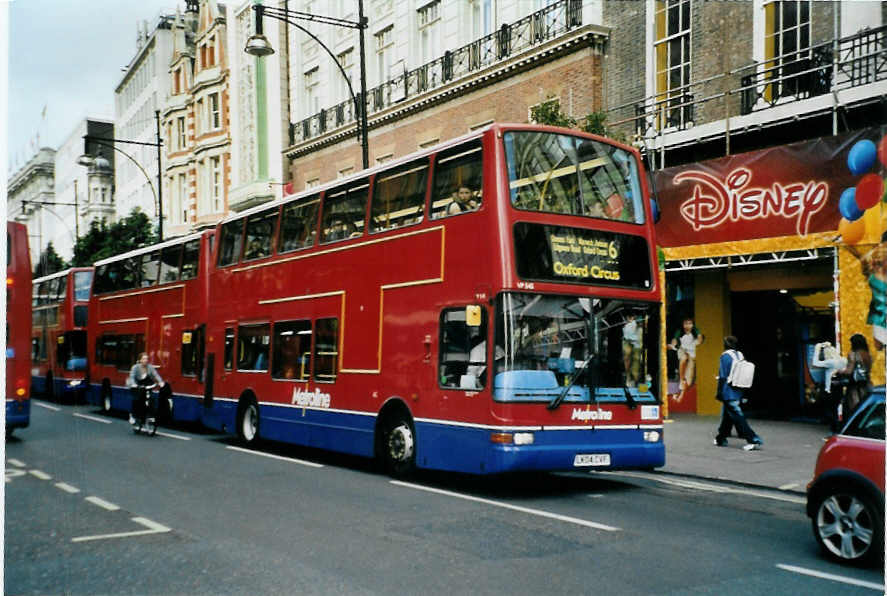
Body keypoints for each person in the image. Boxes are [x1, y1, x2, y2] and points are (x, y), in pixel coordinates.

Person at [713, 336, 763, 451]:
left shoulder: (725, 356)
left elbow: (723, 376)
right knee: (728, 415)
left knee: (737, 416)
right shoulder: (740, 355)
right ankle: (720, 438)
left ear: (725, 344)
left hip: (728, 391)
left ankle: (753, 439)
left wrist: (719, 392)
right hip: (738, 389)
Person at [837, 333, 873, 418]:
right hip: (866, 384)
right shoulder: (868, 355)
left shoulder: (853, 354)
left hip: (855, 386)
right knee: (865, 408)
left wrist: (839, 371)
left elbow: (849, 371)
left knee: (854, 410)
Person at [668, 318, 703, 400]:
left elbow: (699, 338)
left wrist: (697, 342)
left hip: (691, 353)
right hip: (682, 350)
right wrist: (673, 345)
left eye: (690, 323)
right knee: (683, 358)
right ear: (683, 325)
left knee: (689, 380)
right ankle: (681, 379)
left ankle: (681, 392)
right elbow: (674, 340)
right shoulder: (679, 331)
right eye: (686, 323)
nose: (688, 325)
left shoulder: (695, 331)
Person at [127, 352, 165, 425]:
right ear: (140, 360)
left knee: (152, 398)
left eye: (147, 359)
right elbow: (132, 377)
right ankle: (133, 416)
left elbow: (156, 375)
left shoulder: (150, 367)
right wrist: (134, 384)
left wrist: (160, 382)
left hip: (146, 384)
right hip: (137, 385)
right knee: (136, 399)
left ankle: (151, 416)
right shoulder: (135, 367)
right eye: (144, 359)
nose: (146, 360)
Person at [622, 313, 642, 387]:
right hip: (627, 341)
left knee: (636, 360)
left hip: (636, 343)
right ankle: (628, 378)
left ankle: (635, 380)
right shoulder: (625, 324)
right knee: (627, 359)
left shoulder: (638, 325)